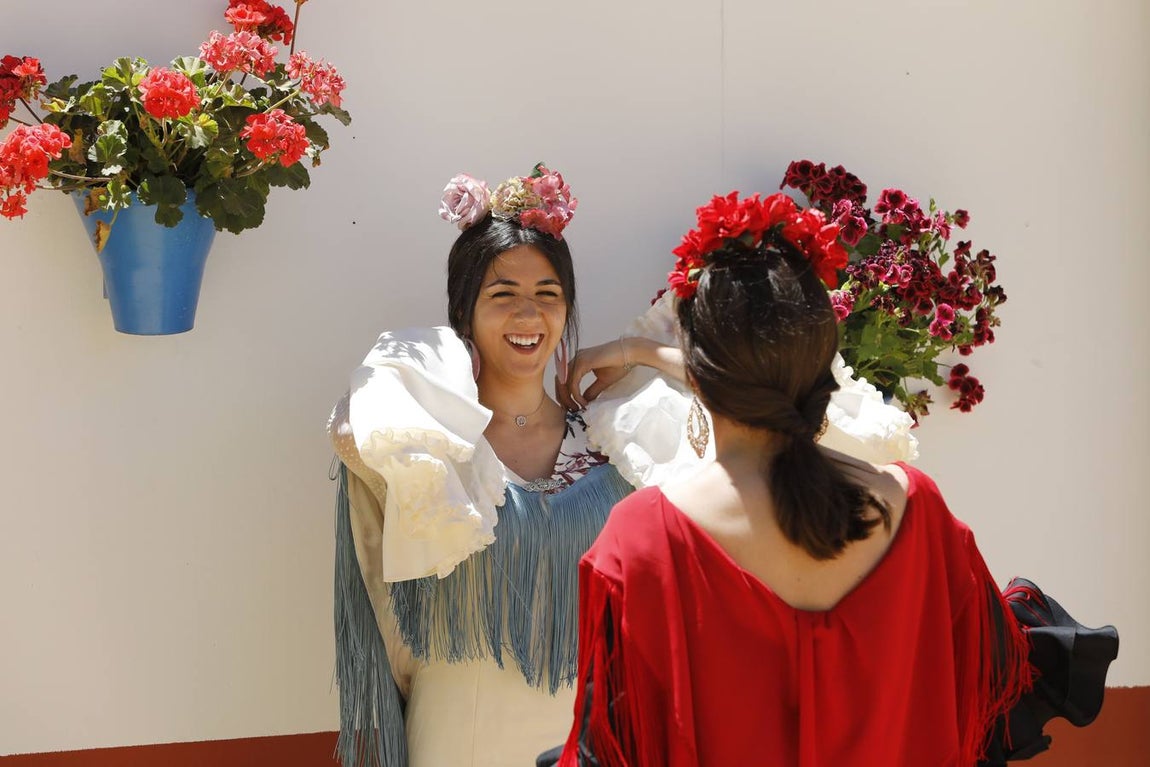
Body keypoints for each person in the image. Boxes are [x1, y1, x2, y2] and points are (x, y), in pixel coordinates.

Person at [327, 170, 919, 767]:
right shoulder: (430, 442)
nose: (528, 314)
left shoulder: (615, 436)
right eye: (502, 294)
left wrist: (636, 352)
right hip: (460, 737)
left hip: (598, 740)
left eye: (549, 294)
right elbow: (358, 450)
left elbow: (760, 401)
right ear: (464, 310)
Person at [552, 190, 1116, 767]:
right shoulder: (913, 507)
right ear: (824, 361)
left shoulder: (643, 540)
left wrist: (644, 351)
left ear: (697, 369)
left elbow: (615, 744)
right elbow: (990, 681)